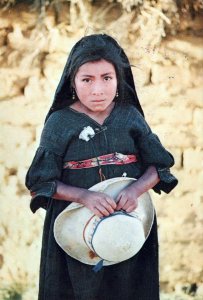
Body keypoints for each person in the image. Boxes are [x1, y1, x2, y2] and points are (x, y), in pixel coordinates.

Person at [25, 34, 178, 300]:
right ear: (72, 81)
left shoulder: (130, 117)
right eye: (87, 79)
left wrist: (135, 191)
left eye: (107, 78)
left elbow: (159, 166)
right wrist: (84, 196)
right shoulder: (60, 124)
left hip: (128, 226)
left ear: (119, 80)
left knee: (128, 289)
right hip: (77, 231)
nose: (98, 90)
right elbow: (41, 182)